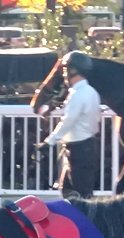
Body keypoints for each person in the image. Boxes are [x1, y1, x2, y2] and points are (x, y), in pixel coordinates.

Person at [38, 51, 101, 199]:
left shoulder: (78, 94)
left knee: (80, 194)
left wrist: (50, 141)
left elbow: (68, 120)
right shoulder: (91, 92)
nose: (64, 74)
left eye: (66, 70)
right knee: (68, 190)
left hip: (79, 149)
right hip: (84, 146)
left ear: (73, 70)